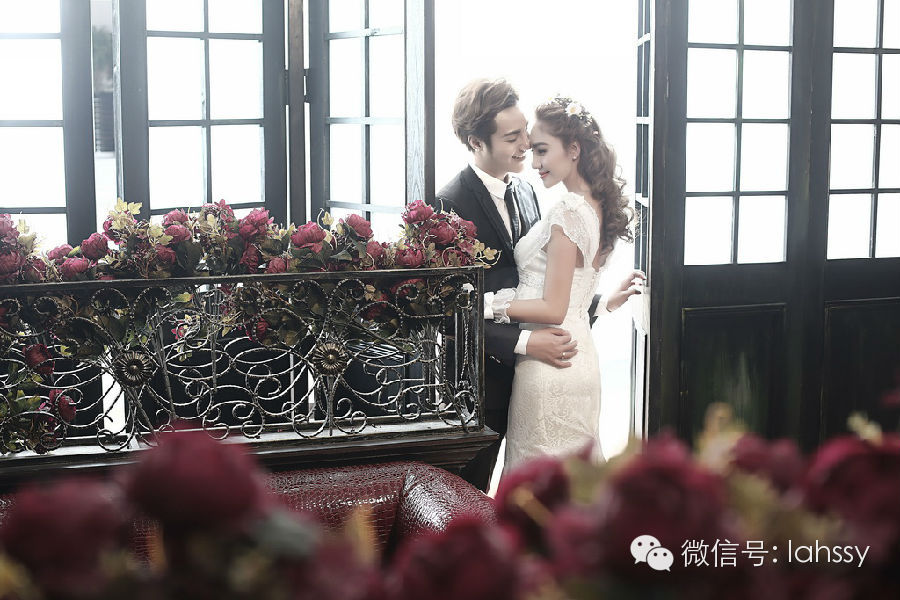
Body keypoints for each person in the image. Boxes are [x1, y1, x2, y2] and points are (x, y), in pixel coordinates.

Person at [433, 79, 579, 492]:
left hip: (533, 378)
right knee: (466, 495)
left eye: (525, 133)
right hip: (477, 383)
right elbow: (444, 311)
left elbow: (535, 276)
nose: (526, 145)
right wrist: (525, 343)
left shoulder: (527, 190)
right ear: (476, 142)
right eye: (512, 138)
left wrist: (598, 302)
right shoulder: (446, 205)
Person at [484, 95, 645, 470]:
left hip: (550, 366)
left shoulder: (568, 210)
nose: (534, 163)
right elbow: (574, 291)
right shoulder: (598, 205)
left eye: (542, 151)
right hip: (579, 358)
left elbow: (554, 308)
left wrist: (486, 305)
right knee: (575, 481)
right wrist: (604, 302)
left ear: (574, 149)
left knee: (537, 482)